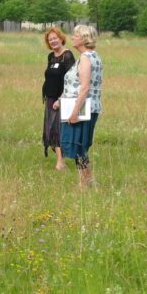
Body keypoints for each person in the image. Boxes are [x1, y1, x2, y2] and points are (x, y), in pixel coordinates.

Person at [56, 25, 103, 188]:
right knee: (80, 146)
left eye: (76, 35)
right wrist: (60, 99)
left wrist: (75, 112)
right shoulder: (93, 56)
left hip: (82, 108)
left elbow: (84, 88)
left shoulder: (85, 58)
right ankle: (90, 181)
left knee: (78, 146)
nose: (72, 37)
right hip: (88, 107)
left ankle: (84, 184)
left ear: (84, 38)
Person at [41, 27, 75, 170]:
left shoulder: (67, 56)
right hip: (50, 98)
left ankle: (61, 163)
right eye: (50, 40)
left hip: (63, 99)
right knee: (52, 130)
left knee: (59, 130)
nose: (53, 41)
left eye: (55, 38)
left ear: (61, 38)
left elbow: (72, 81)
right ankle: (60, 162)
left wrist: (61, 99)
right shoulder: (51, 56)